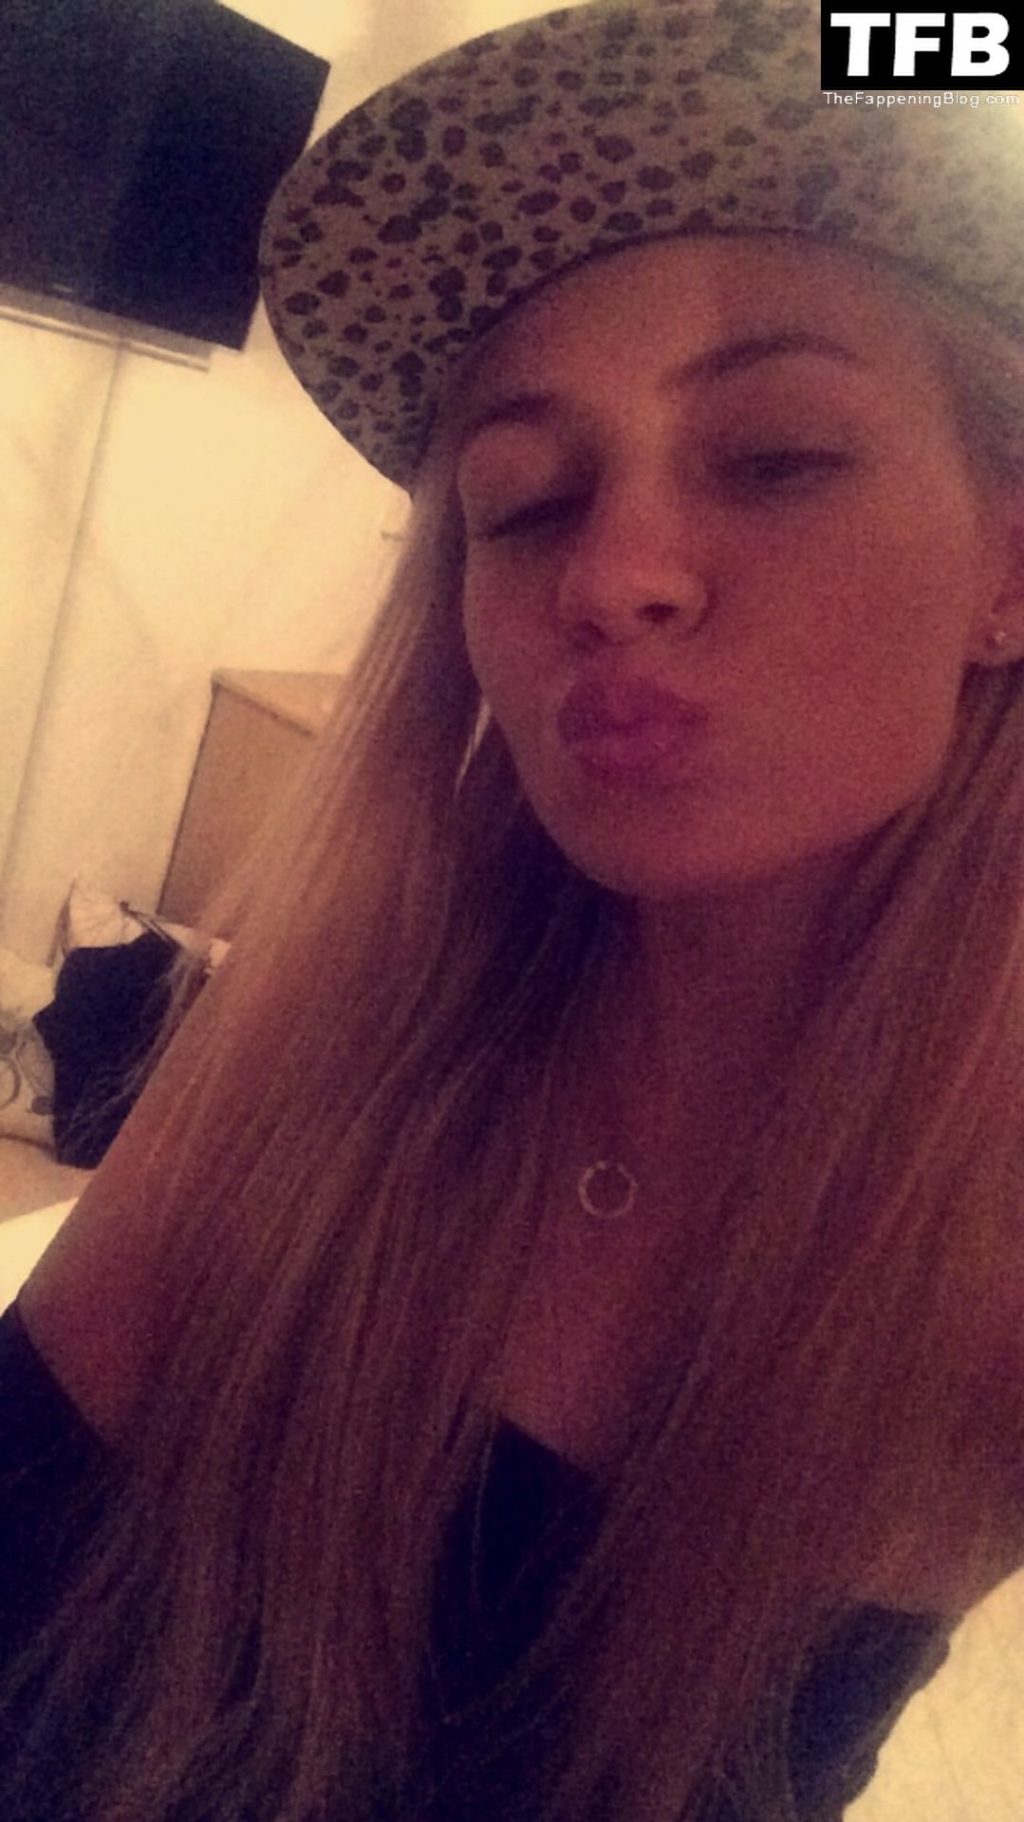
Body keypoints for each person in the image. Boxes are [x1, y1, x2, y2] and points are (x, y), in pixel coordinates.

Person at [2, 1, 1024, 1817]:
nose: (612, 573)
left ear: (1007, 567)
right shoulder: (333, 1050)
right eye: (526, 499)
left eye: (778, 455)